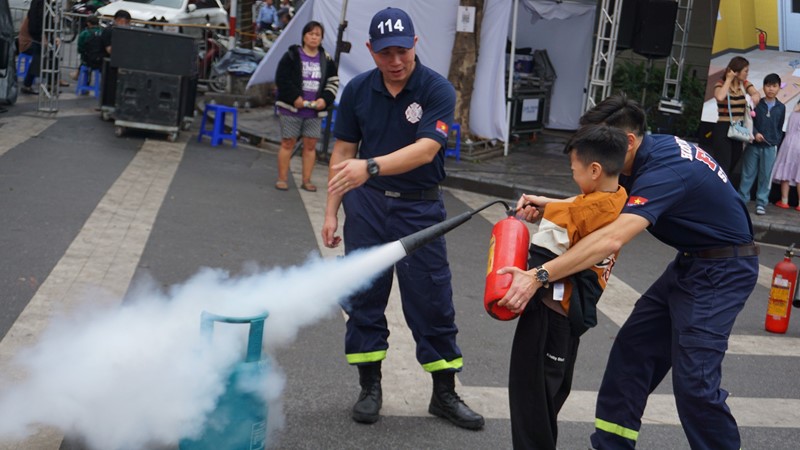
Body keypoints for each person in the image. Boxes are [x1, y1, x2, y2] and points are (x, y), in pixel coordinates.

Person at [497, 94, 759, 450]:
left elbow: (612, 236)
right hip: (692, 263)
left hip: (722, 272)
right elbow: (604, 206)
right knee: (631, 356)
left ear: (628, 141)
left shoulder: (665, 170)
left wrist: (539, 275)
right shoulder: (643, 158)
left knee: (695, 383)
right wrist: (552, 207)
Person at [321, 7, 484, 430]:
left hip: (419, 207)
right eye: (385, 53)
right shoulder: (357, 90)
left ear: (415, 45)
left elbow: (427, 149)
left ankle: (444, 394)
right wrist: (330, 212)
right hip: (368, 207)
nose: (395, 62)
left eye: (402, 52)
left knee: (432, 300)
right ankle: (369, 388)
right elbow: (342, 153)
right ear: (371, 50)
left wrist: (369, 166)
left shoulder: (437, 89)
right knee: (364, 299)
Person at [508, 124, 629, 450]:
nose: (572, 175)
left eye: (574, 170)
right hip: (571, 317)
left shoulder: (569, 215)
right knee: (552, 394)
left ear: (594, 169)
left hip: (547, 315)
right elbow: (583, 205)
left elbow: (537, 262)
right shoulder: (620, 197)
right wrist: (552, 205)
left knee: (530, 402)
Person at [274, 20, 338, 192]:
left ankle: (306, 180)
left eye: (317, 34)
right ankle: (282, 179)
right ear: (304, 36)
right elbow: (282, 79)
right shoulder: (292, 55)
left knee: (310, 146)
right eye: (311, 33)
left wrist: (324, 100)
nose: (314, 37)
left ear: (322, 38)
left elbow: (333, 82)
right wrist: (295, 97)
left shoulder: (327, 60)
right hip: (291, 109)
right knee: (288, 143)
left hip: (314, 112)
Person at [738, 73, 785, 215]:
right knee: (747, 174)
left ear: (778, 88)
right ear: (763, 87)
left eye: (774, 86)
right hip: (753, 146)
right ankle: (741, 200)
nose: (771, 89)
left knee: (765, 176)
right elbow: (748, 121)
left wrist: (775, 140)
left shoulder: (781, 107)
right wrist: (755, 133)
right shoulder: (757, 104)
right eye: (768, 85)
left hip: (770, 147)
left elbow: (779, 126)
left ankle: (761, 203)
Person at [712, 56, 761, 175]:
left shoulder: (744, 84)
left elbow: (756, 93)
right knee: (723, 165)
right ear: (736, 71)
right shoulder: (721, 84)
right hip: (723, 127)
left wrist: (755, 97)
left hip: (738, 128)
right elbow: (720, 97)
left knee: (734, 162)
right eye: (745, 71)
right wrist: (729, 79)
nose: (747, 74)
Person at [771, 101, 800, 211]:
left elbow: (788, 129)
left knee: (785, 172)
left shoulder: (793, 114)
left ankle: (784, 201)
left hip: (788, 144)